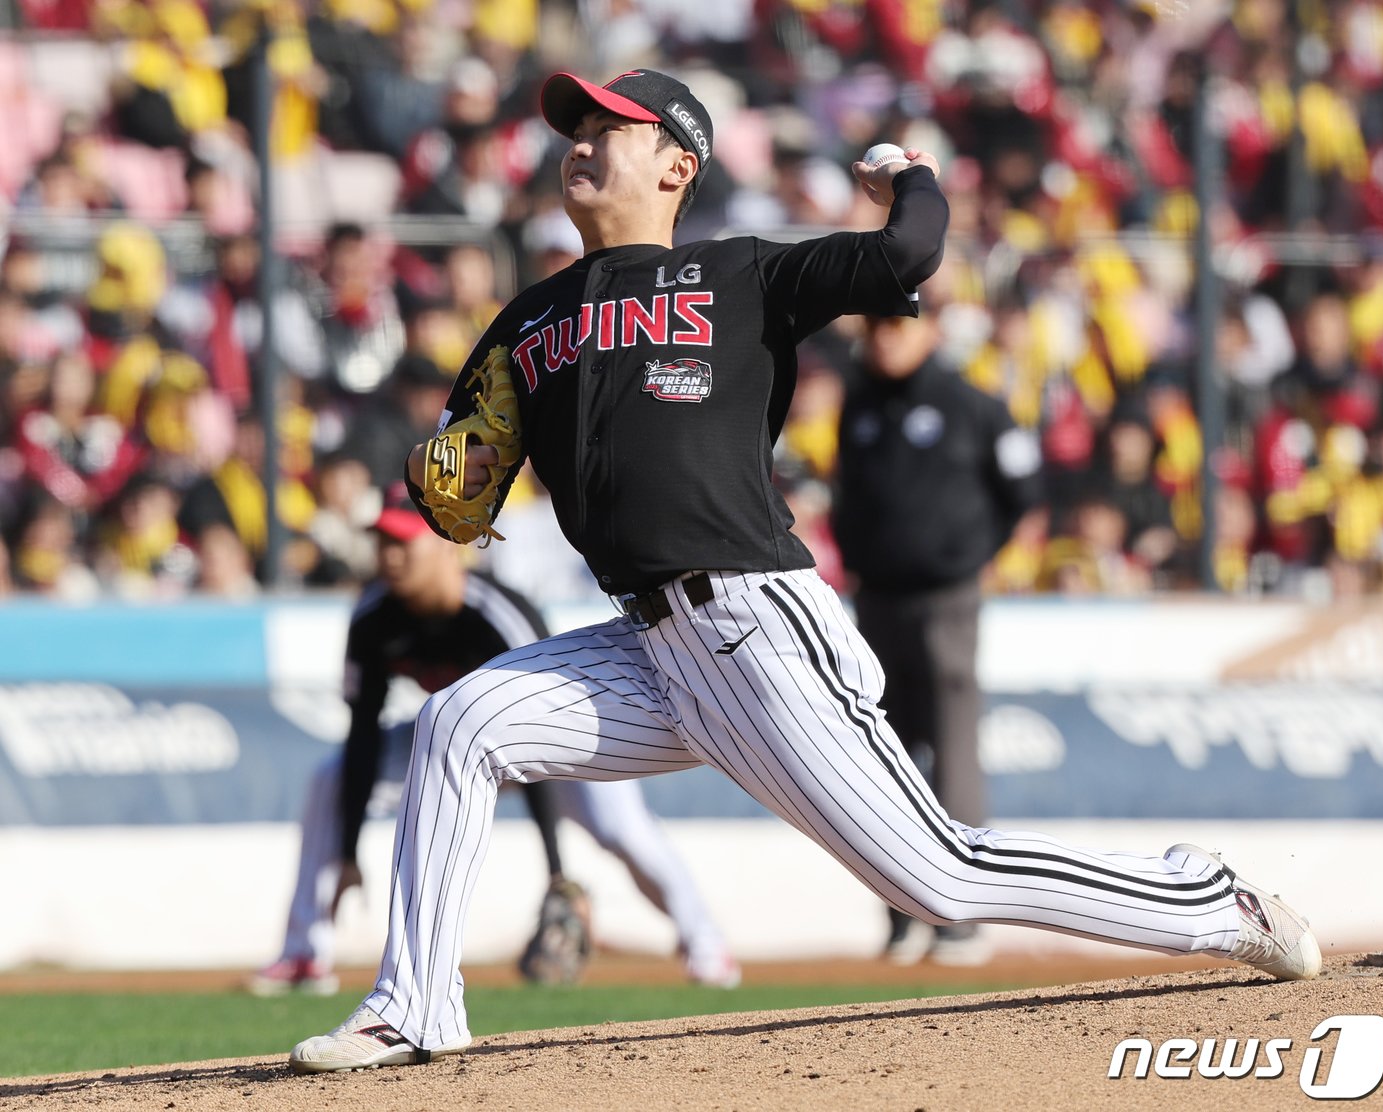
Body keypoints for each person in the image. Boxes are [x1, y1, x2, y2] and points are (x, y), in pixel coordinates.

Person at [290, 69, 1320, 1074]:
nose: (582, 141)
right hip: (647, 648)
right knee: (457, 724)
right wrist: (446, 483)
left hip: (751, 621)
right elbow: (454, 485)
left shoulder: (738, 273)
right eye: (576, 126)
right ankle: (413, 1005)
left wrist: (905, 175)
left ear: (676, 164)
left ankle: (1205, 899)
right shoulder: (527, 322)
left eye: (611, 126)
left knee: (939, 876)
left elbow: (907, 252)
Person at [253, 494, 737, 995]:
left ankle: (705, 944)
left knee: (624, 829)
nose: (389, 556)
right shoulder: (375, 615)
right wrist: (350, 851)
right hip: (455, 752)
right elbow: (362, 739)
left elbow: (543, 724)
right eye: (381, 543)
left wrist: (556, 871)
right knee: (330, 779)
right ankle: (305, 954)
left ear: (447, 547)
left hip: (558, 740)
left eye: (402, 543)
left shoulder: (498, 612)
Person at [832, 310, 1044, 966]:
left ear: (931, 333)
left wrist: (969, 556)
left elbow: (1025, 492)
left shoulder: (972, 406)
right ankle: (901, 913)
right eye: (876, 327)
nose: (886, 337)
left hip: (947, 599)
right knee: (884, 753)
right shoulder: (858, 403)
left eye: (898, 325)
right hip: (877, 600)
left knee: (952, 751)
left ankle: (962, 913)